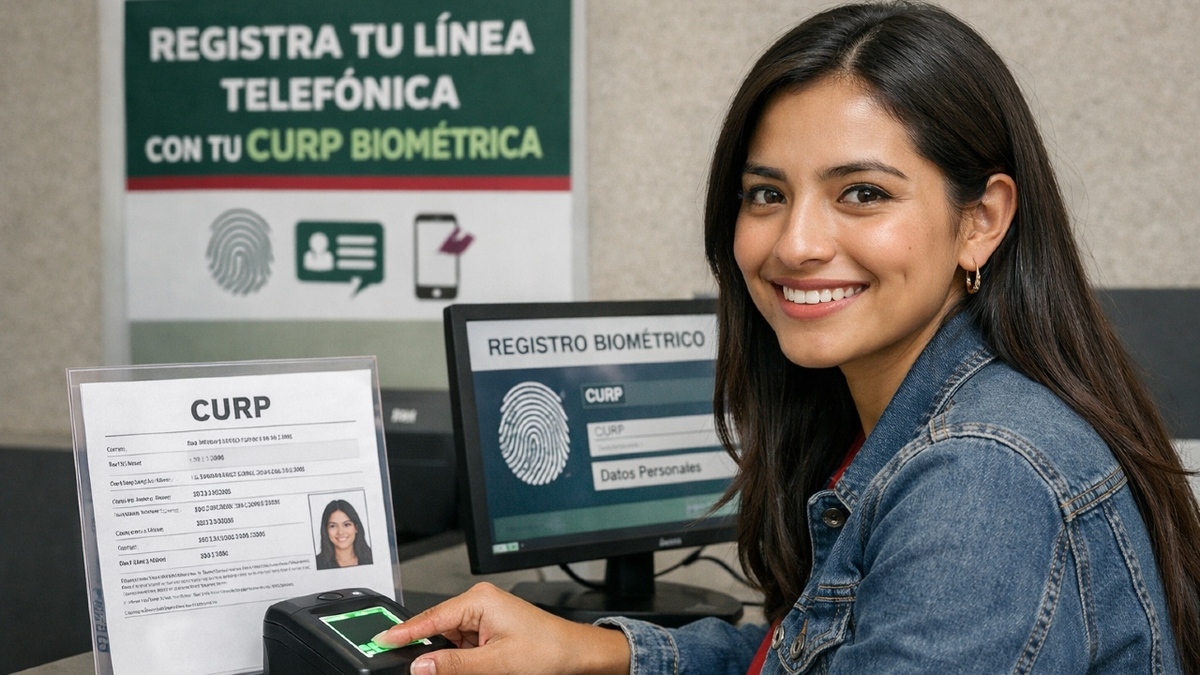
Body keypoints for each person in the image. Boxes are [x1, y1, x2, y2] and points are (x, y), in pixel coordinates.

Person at [375, 3, 1200, 673]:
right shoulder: (905, 421)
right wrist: (599, 651)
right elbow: (818, 652)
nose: (796, 242)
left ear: (980, 221)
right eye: (766, 193)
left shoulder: (981, 473)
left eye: (863, 193)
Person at [315, 499, 374, 570]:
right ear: (326, 530)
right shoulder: (316, 564)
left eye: (346, 525)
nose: (340, 532)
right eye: (333, 526)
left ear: (356, 528)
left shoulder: (373, 557)